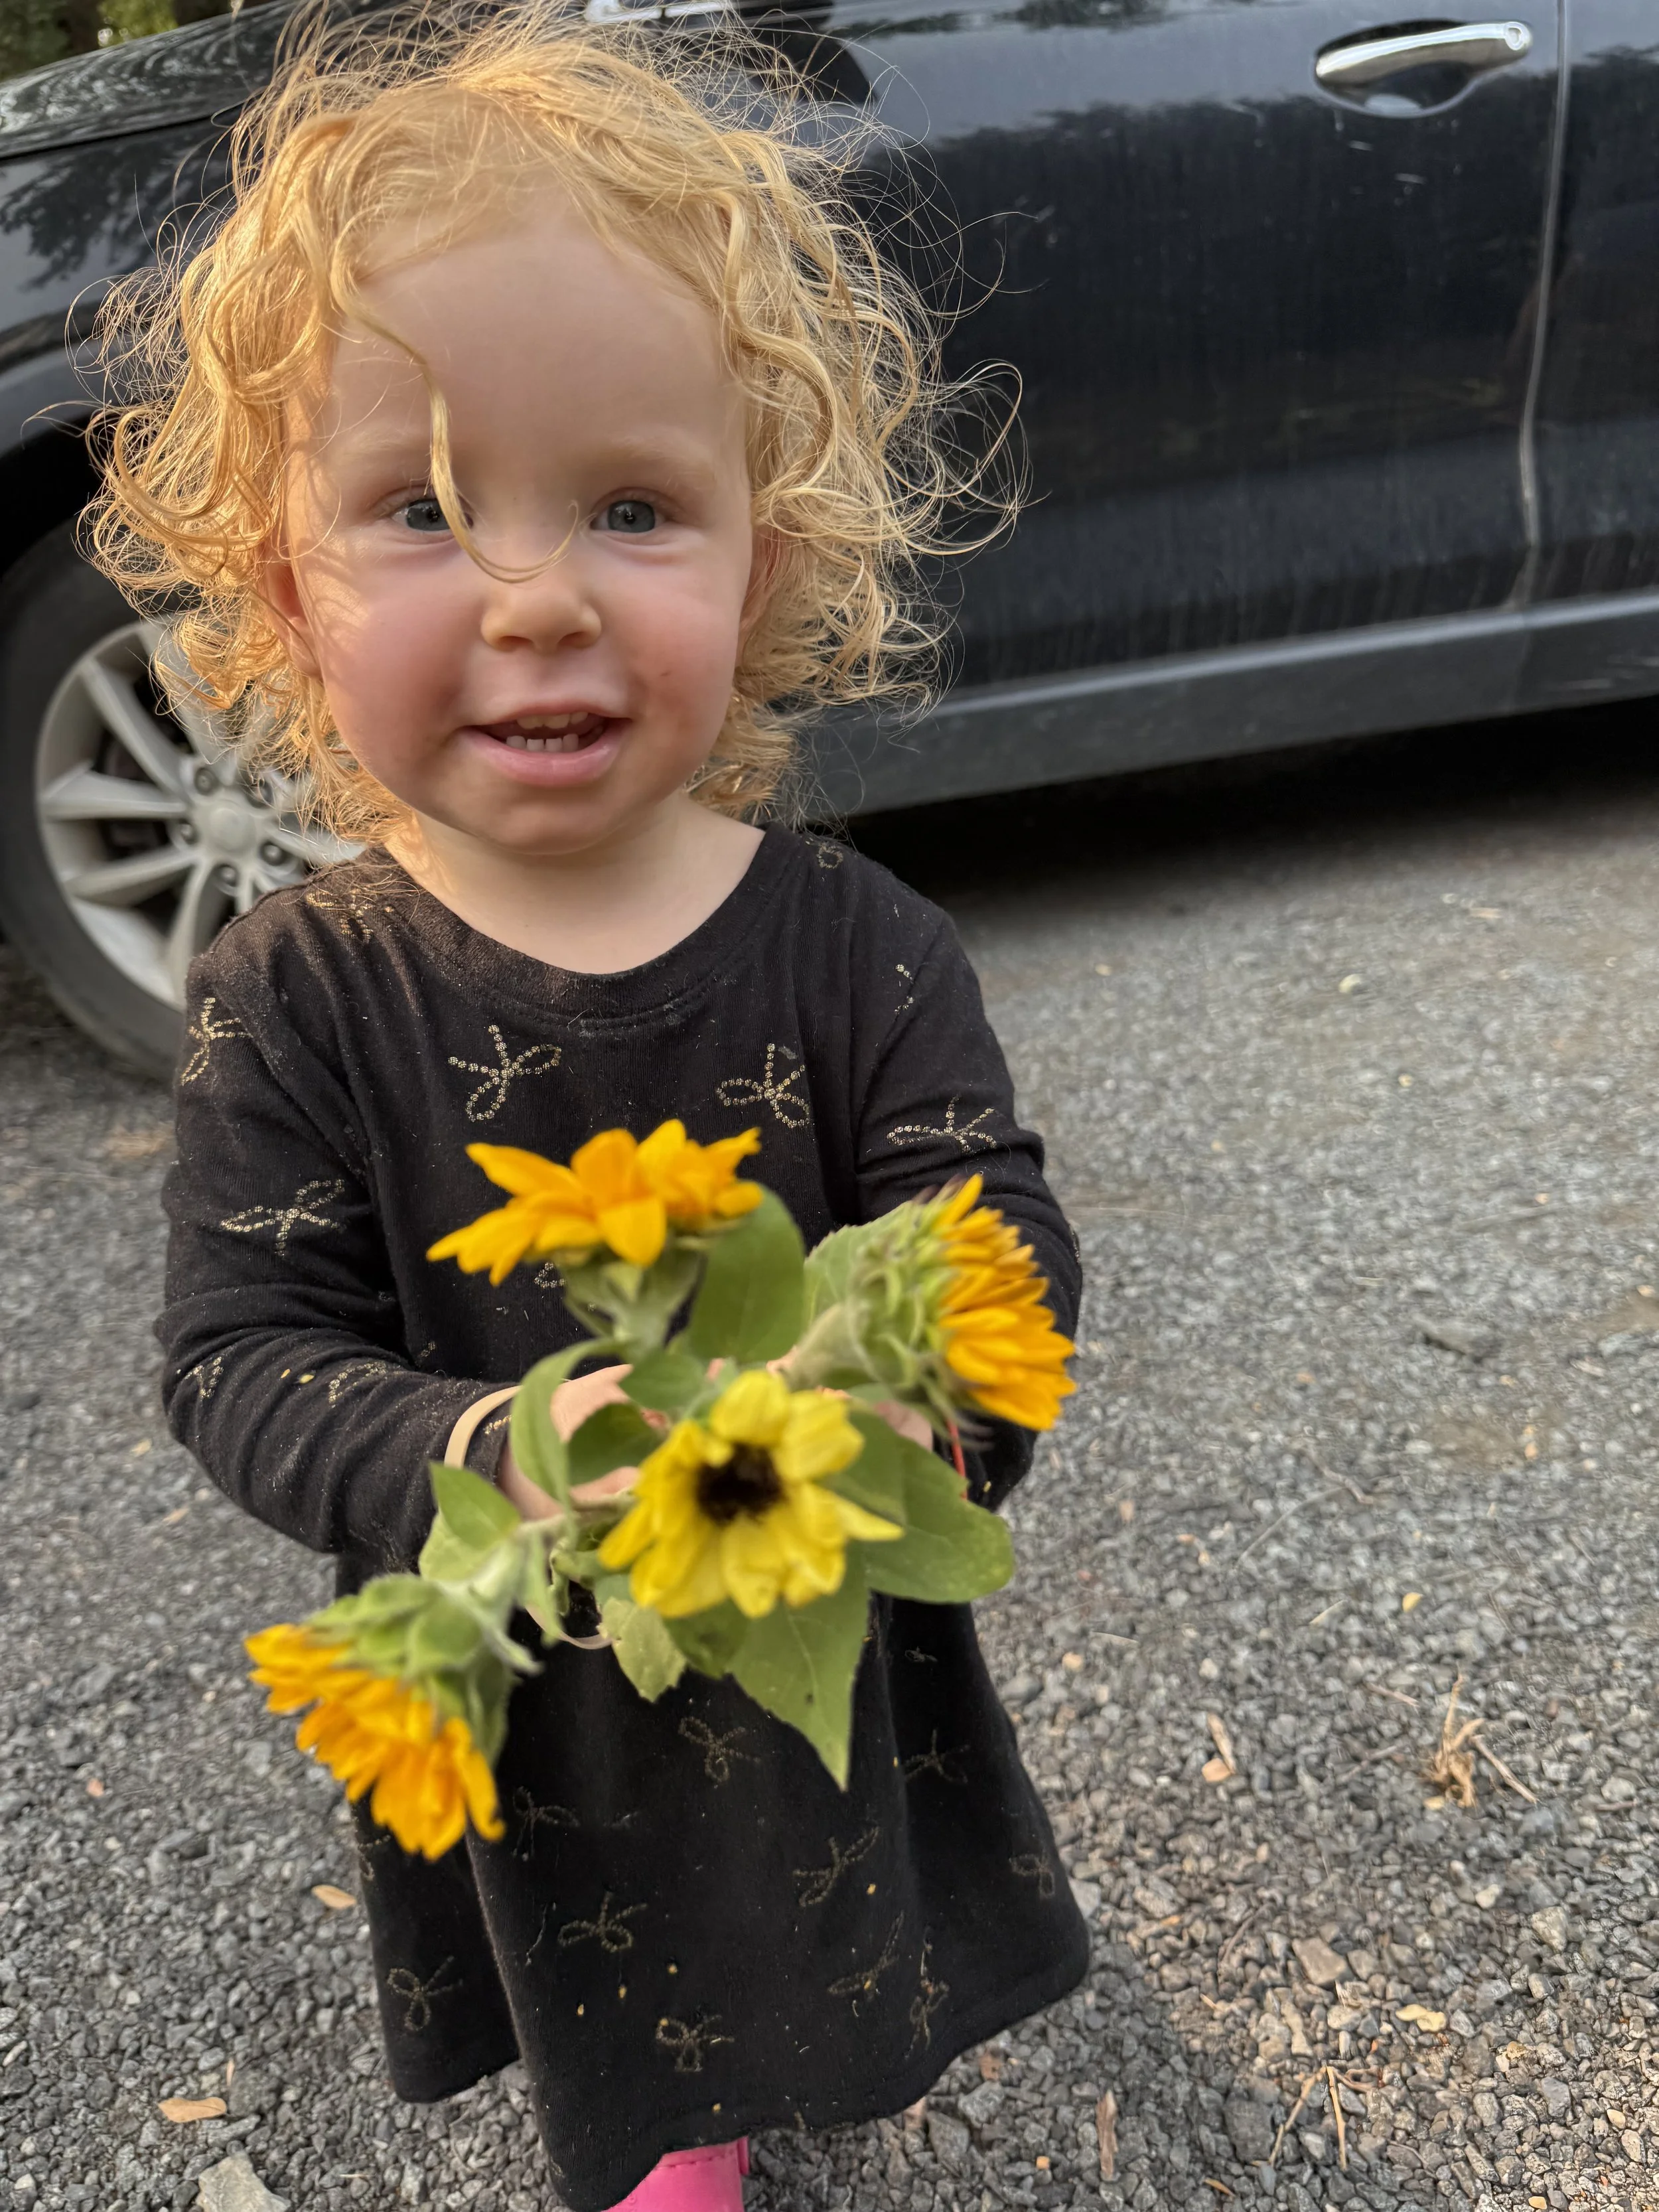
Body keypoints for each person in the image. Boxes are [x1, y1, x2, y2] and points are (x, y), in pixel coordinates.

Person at [92, 8, 1086, 2205]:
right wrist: (477, 1444)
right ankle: (671, 2137)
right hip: (523, 1650)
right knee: (615, 1951)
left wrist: (917, 1391)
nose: (537, 592)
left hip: (800, 1553)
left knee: (814, 1872)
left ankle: (800, 2054)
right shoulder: (298, 994)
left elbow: (982, 1213)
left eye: (630, 506)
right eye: (419, 511)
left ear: (767, 559)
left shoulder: (860, 946)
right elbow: (235, 1355)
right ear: (282, 590)